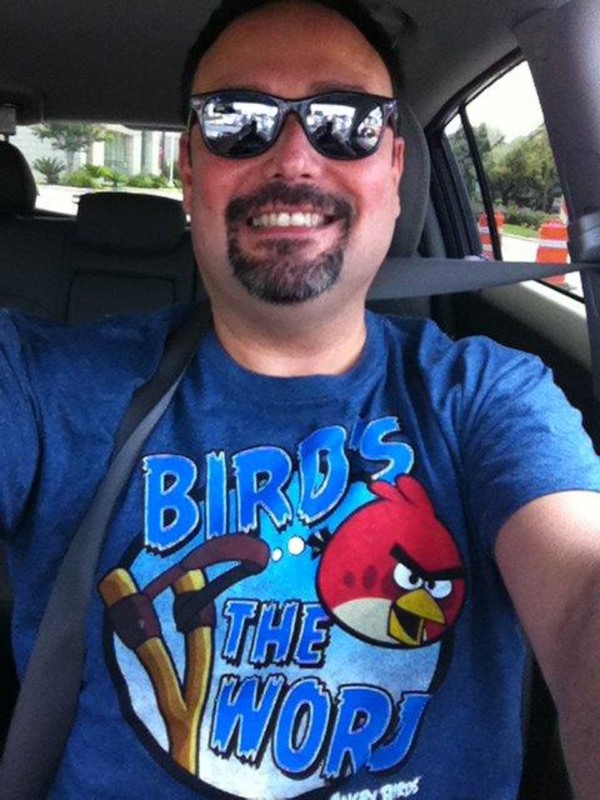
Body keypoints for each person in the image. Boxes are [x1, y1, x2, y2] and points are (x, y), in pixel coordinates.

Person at [1, 0, 600, 798]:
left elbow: (583, 594)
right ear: (189, 169)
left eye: (344, 121)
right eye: (236, 119)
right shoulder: (47, 385)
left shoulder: (486, 396)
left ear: (394, 168)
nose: (293, 157)